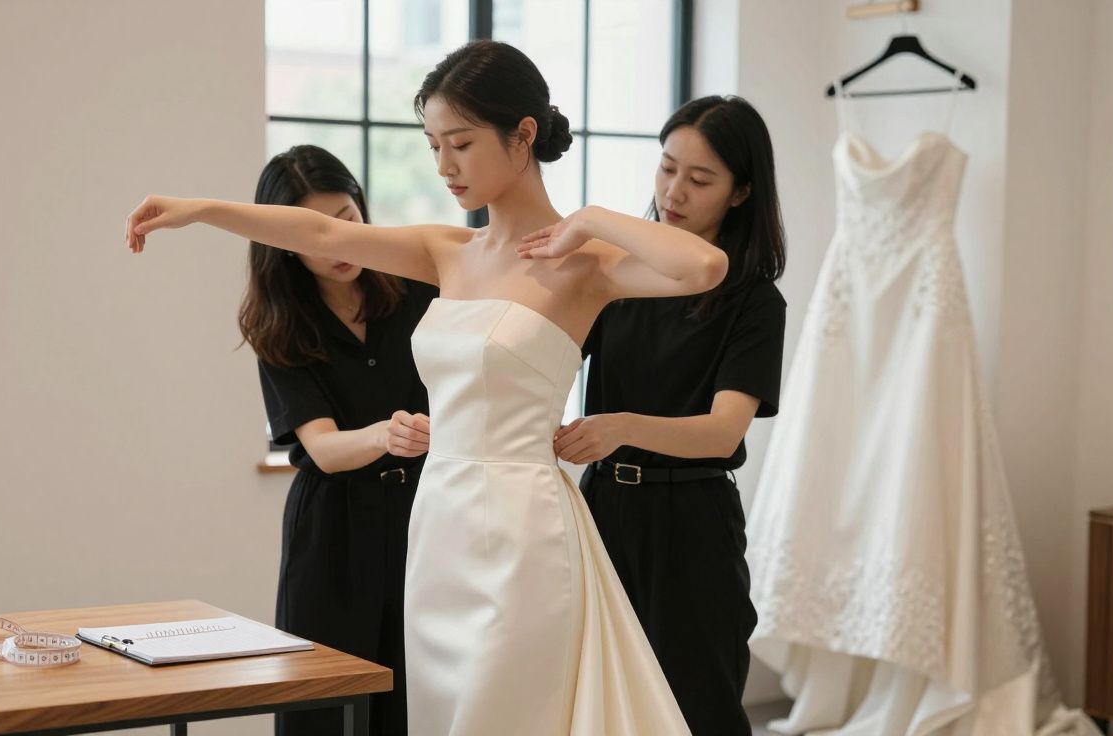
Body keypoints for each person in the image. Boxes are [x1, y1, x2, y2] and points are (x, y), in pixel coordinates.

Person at [125, 40, 727, 736]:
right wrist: (201, 210)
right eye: (434, 144)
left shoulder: (585, 262)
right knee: (441, 713)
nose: (444, 166)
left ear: (523, 135)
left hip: (524, 529)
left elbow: (705, 266)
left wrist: (587, 219)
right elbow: (319, 228)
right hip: (440, 522)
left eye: (462, 144)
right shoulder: (450, 251)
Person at [559, 96, 787, 735]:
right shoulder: (615, 277)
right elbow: (548, 361)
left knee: (698, 706)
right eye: (666, 168)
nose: (674, 191)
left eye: (700, 178)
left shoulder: (754, 301)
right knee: (598, 704)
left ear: (741, 192)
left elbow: (723, 431)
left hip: (692, 523)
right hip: (600, 510)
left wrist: (621, 427)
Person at [244, 145, 435, 736]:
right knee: (324, 708)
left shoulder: (416, 289)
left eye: (345, 220)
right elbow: (322, 449)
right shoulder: (278, 325)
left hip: (422, 520)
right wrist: (386, 433)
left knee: (417, 698)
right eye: (311, 233)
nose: (334, 243)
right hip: (332, 532)